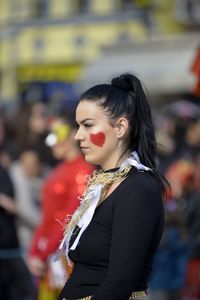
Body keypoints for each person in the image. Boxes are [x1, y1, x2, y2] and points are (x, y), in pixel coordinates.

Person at [57, 73, 166, 300]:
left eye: (87, 125)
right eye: (78, 126)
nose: (78, 136)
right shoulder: (101, 183)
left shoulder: (139, 188)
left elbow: (119, 283)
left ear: (120, 127)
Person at [28, 115, 94, 299]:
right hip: (49, 257)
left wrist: (42, 252)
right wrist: (35, 251)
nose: (53, 140)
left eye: (59, 133)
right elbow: (47, 217)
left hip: (65, 258)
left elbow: (70, 218)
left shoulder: (82, 171)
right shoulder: (59, 170)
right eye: (51, 133)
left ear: (74, 134)